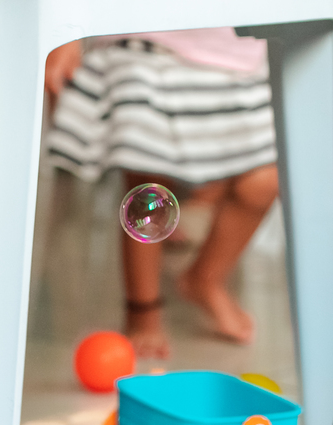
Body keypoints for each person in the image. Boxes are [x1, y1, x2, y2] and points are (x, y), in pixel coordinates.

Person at [44, 30, 279, 359]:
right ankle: (143, 311)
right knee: (147, 179)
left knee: (265, 179)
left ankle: (206, 279)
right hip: (146, 40)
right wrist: (68, 34)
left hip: (236, 53)